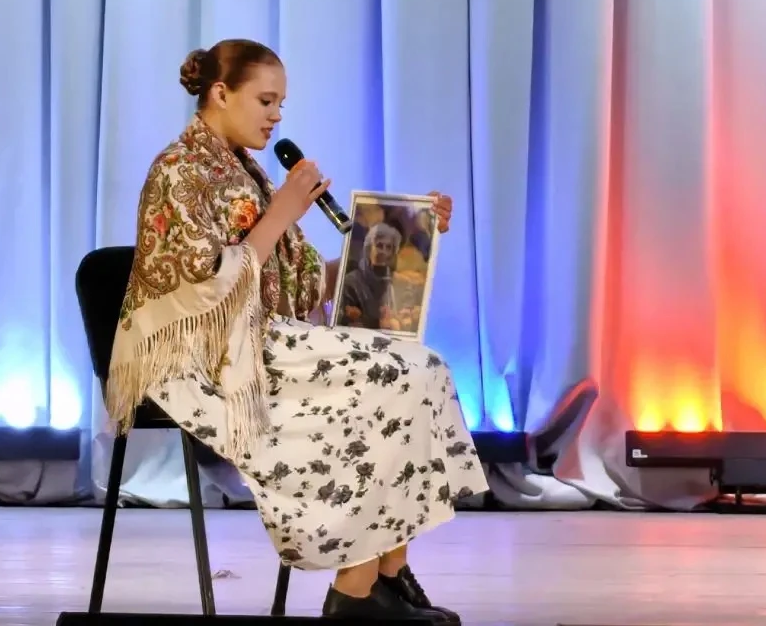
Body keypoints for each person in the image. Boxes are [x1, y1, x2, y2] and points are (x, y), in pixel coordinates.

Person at [108, 39, 488, 622]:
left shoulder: (246, 171)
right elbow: (207, 292)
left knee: (422, 367)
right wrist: (284, 209)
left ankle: (385, 579)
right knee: (392, 378)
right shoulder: (179, 171)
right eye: (265, 101)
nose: (276, 116)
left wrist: (410, 234)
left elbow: (305, 285)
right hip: (203, 360)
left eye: (281, 104)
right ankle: (357, 594)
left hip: (264, 339)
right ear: (220, 93)